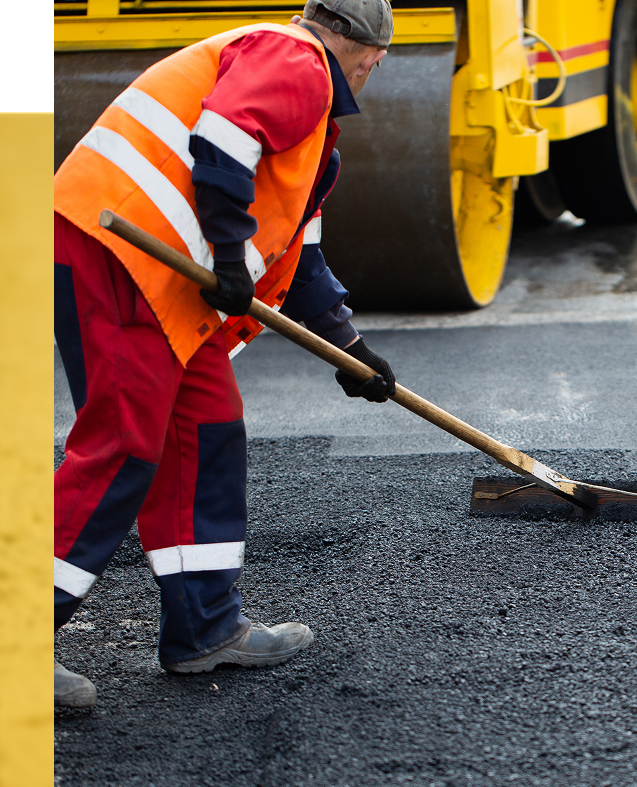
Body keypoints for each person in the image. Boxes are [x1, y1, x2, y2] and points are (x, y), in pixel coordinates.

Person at [53, 0, 397, 708]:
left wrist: (349, 348)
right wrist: (230, 247)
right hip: (122, 255)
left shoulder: (312, 133)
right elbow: (222, 136)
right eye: (371, 63)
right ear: (370, 53)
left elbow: (299, 256)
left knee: (205, 430)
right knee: (122, 445)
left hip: (169, 280)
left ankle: (203, 628)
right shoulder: (295, 58)